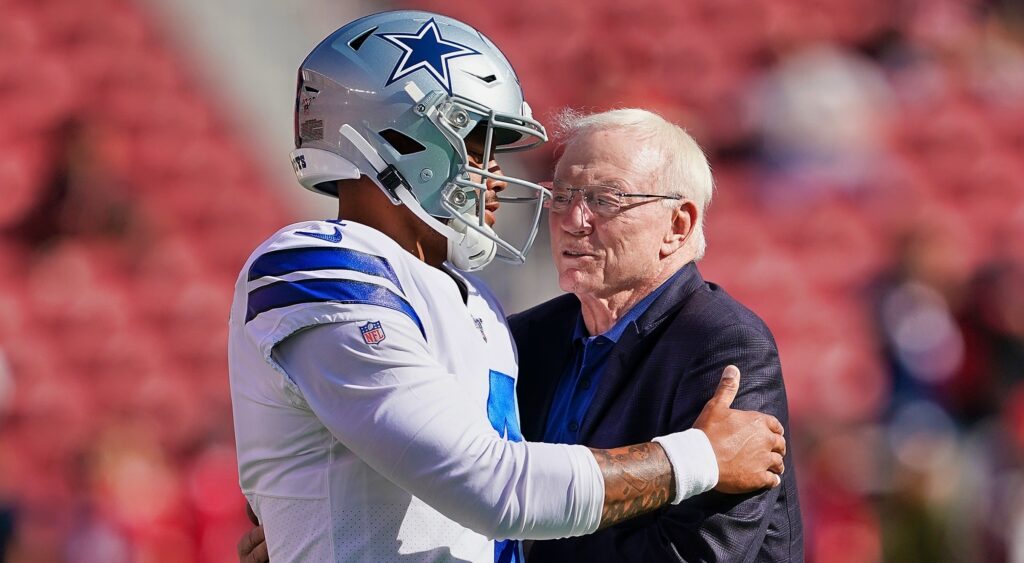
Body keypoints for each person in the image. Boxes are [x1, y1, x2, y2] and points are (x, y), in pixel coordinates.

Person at [229, 11, 786, 563]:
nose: (493, 173)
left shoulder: (477, 305)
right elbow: (492, 487)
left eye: (605, 200)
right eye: (476, 145)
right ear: (397, 135)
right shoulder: (318, 266)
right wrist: (697, 459)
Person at [511, 109, 803, 561]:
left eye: (604, 199)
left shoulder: (724, 343)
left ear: (678, 225)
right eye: (562, 195)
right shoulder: (526, 336)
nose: (572, 218)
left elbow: (698, 554)